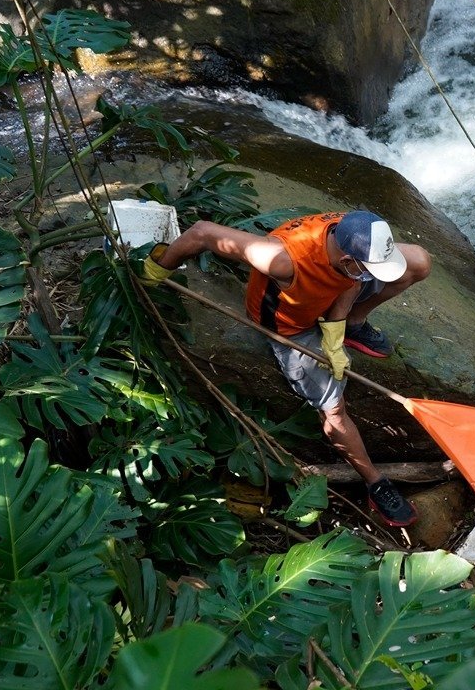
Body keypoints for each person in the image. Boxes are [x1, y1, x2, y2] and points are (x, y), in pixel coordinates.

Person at [139, 210, 431, 527]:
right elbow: (203, 232)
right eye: (366, 269)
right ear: (348, 258)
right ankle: (375, 482)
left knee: (418, 261)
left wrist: (336, 332)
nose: (368, 274)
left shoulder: (356, 231)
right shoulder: (282, 259)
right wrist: (157, 270)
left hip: (327, 297)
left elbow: (349, 279)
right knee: (334, 412)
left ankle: (355, 323)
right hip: (290, 327)